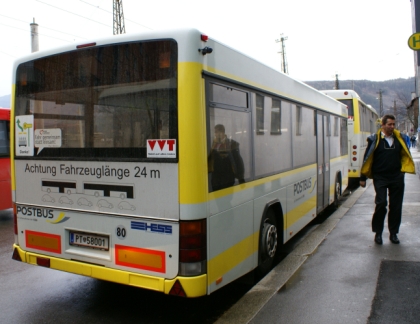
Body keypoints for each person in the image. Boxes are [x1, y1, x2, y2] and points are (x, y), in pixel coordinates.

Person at [360, 114, 415, 245]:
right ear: (383, 125)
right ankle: (378, 233)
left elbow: (405, 155)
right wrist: (362, 178)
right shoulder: (374, 139)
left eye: (393, 124)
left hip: (396, 177)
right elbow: (367, 158)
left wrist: (402, 172)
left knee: (396, 206)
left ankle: (393, 233)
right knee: (381, 203)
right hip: (380, 177)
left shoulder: (399, 139)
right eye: (389, 124)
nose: (392, 127)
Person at [208, 124, 245, 191]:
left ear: (222, 132)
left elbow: (238, 160)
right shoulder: (213, 144)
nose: (215, 134)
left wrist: (241, 178)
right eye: (215, 132)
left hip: (228, 179)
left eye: (216, 132)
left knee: (227, 200)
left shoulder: (232, 144)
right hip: (216, 180)